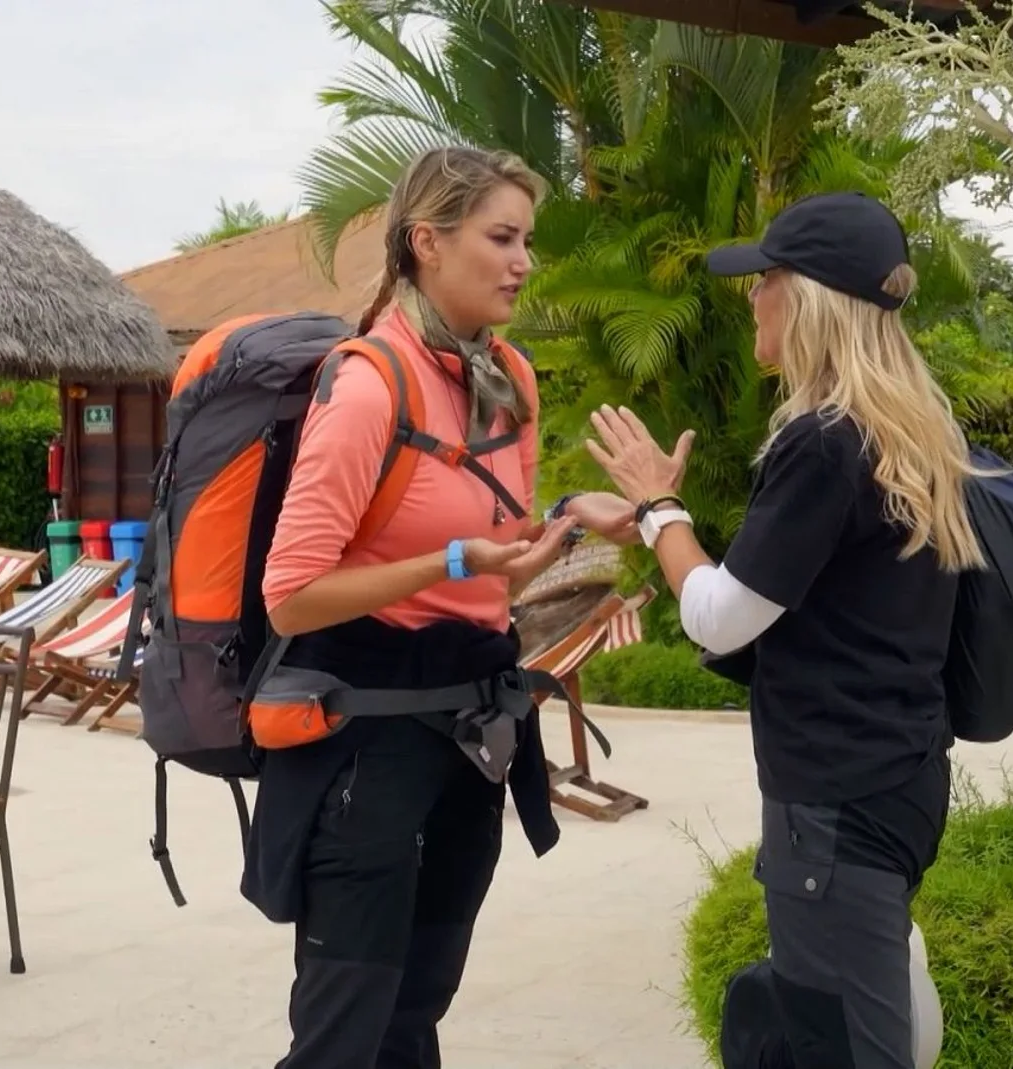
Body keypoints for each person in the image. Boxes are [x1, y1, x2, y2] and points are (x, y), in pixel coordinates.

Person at [246, 145, 631, 1069]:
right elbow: (290, 596)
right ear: (427, 241)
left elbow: (496, 577)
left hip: (471, 742)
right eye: (501, 237)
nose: (523, 261)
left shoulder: (512, 382)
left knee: (415, 1018)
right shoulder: (369, 384)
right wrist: (449, 557)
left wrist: (573, 523)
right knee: (344, 1035)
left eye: (526, 240)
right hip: (364, 752)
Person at [583, 191, 971, 1069]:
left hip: (835, 800)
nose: (750, 297)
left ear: (805, 298)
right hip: (903, 778)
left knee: (845, 1044)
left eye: (762, 281)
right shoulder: (920, 434)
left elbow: (721, 616)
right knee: (870, 1020)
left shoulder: (826, 441)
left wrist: (658, 508)